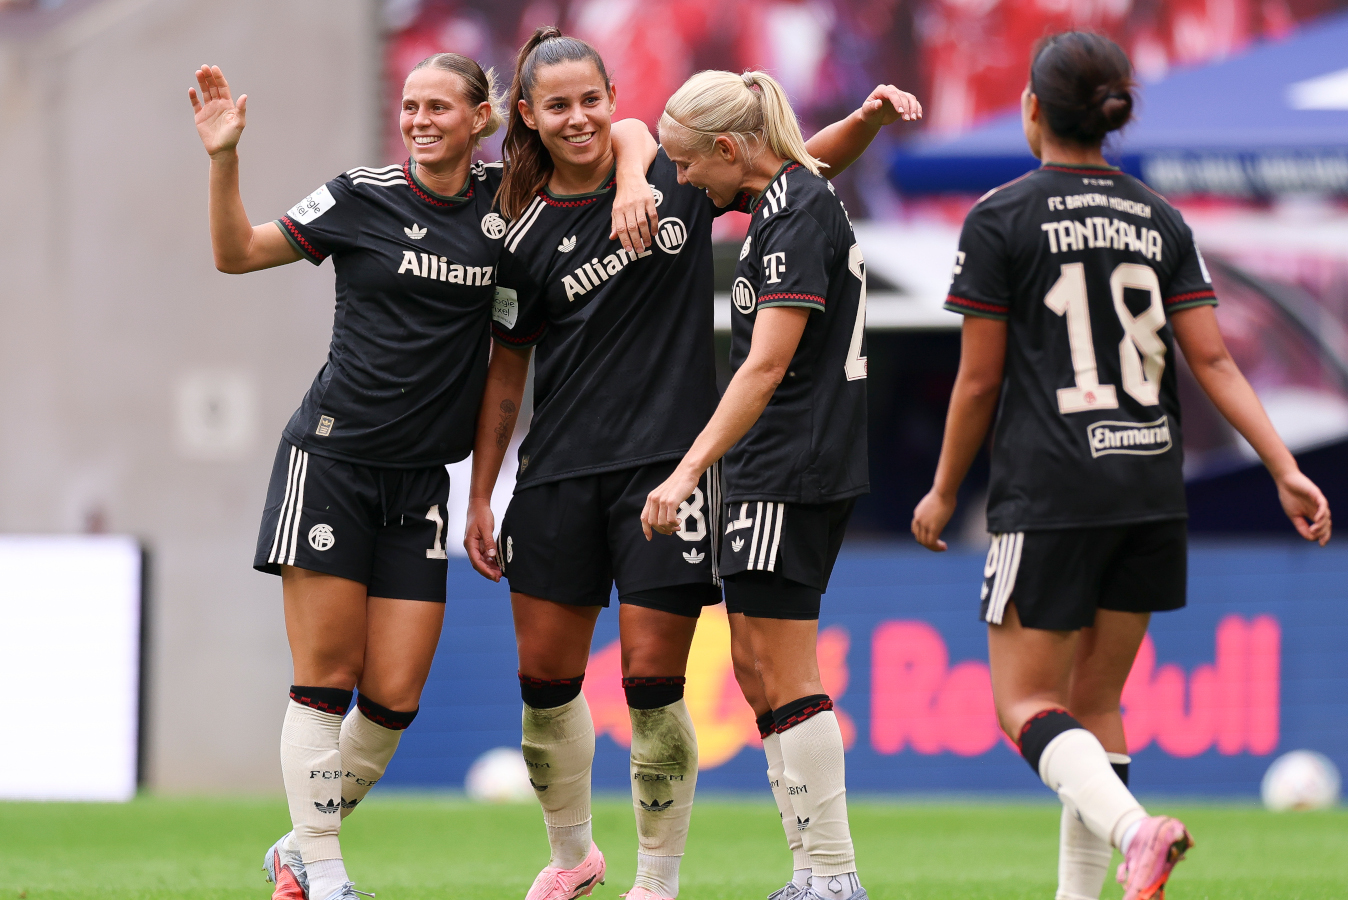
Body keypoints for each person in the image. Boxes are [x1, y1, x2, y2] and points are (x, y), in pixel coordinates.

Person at [462, 29, 920, 900]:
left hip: (675, 473)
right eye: (557, 105)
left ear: (613, 98)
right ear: (528, 116)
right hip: (559, 473)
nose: (580, 118)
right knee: (549, 688)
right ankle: (574, 860)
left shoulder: (679, 175)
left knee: (657, 688)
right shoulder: (520, 235)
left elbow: (796, 167)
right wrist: (483, 491)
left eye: (593, 99)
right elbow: (505, 376)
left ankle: (665, 882)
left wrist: (853, 127)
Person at [189, 53, 655, 900]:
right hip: (330, 461)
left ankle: (299, 846)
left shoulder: (504, 203)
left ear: (482, 117)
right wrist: (224, 158)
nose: (420, 120)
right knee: (324, 680)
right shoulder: (360, 194)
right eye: (410, 106)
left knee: (395, 695)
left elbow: (621, 128)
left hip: (420, 488)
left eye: (441, 106)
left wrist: (631, 180)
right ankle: (324, 872)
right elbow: (235, 254)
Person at [908, 32, 1332, 900]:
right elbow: (1212, 363)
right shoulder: (1159, 218)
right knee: (1096, 705)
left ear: (1032, 108)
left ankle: (1141, 831)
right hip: (1148, 486)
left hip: (1051, 490)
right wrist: (1284, 465)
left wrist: (946, 488)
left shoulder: (1000, 217)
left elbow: (979, 378)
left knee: (1024, 707)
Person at [638, 68, 892, 900]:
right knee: (754, 665)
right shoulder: (790, 194)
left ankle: (831, 874)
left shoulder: (793, 218)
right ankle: (814, 871)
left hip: (792, 464)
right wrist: (866, 118)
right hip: (774, 467)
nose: (681, 180)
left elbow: (765, 367)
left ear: (727, 148)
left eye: (685, 162)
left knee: (784, 672)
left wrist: (685, 472)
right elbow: (814, 154)